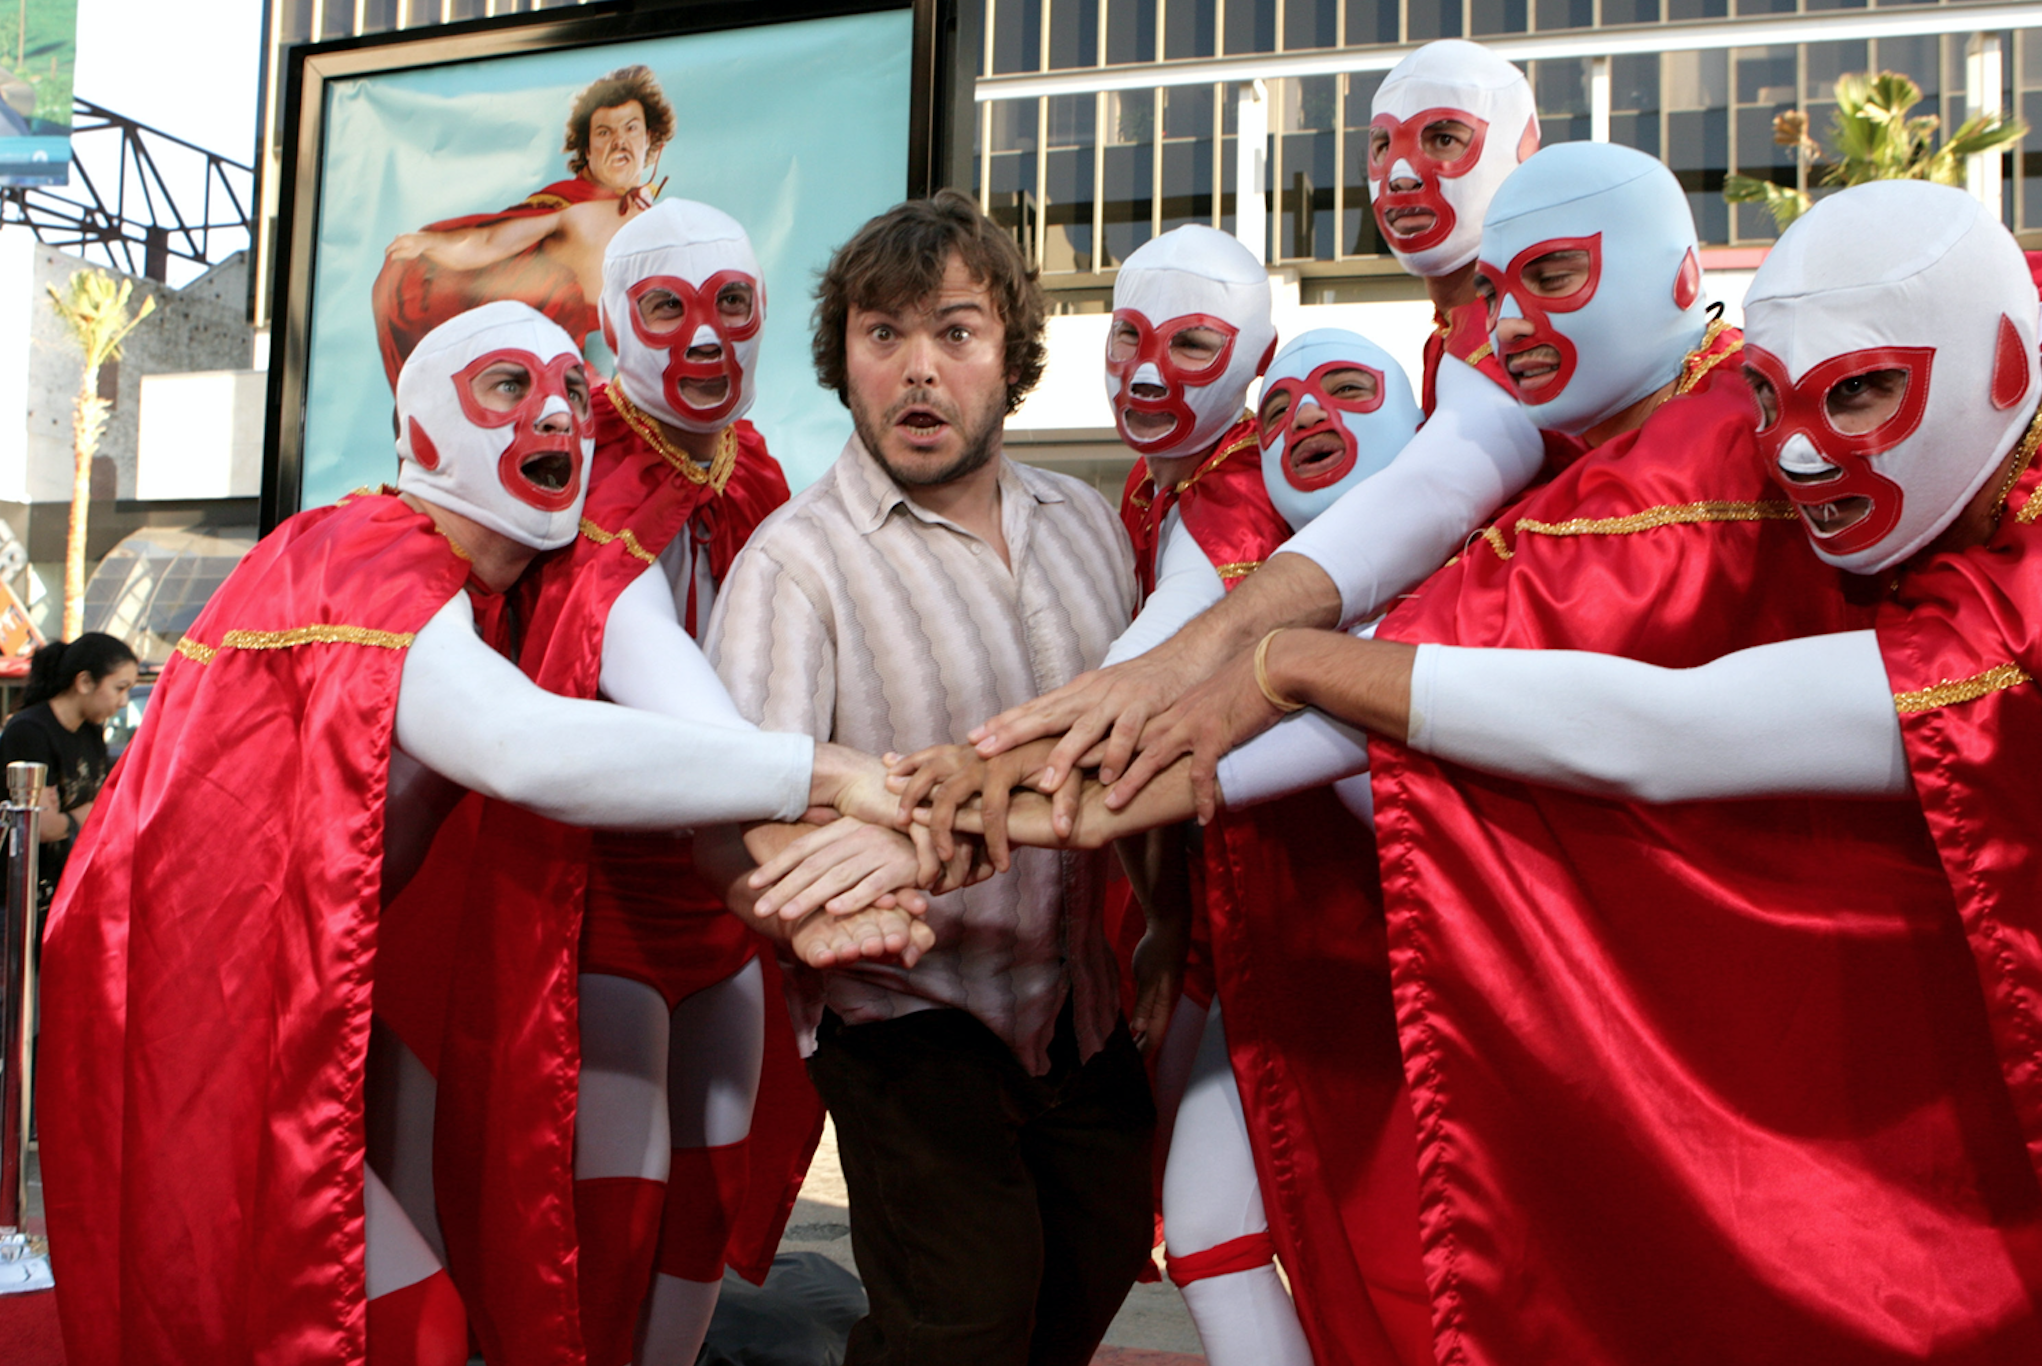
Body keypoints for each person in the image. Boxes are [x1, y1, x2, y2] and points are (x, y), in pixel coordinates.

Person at [949, 177, 2042, 1362]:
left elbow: (1662, 728)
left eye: (1859, 394)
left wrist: (1274, 673)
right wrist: (1056, 776)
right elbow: (1439, 585)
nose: (1792, 447)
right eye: (1772, 399)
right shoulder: (1634, 447)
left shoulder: (1763, 506)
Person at [36, 301, 915, 1366]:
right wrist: (818, 774)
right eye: (506, 386)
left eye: (571, 396)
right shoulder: (360, 553)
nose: (552, 410)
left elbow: (661, 717)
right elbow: (522, 746)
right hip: (205, 1002)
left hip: (321, 991)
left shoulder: (507, 582)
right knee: (381, 1318)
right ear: (419, 436)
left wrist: (798, 827)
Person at [704, 189, 1149, 1366]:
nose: (916, 369)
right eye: (881, 332)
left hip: (1082, 1009)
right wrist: (808, 912)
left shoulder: (1088, 525)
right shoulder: (794, 564)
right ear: (840, 357)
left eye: (954, 332)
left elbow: (1141, 756)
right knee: (965, 1313)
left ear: (1010, 355)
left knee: (1088, 1274)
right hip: (904, 1013)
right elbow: (739, 813)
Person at [967, 38, 1553, 822]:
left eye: (1443, 138)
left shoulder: (1490, 343)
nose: (1402, 174)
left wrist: (1114, 704)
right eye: (1381, 146)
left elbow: (1436, 495)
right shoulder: (1451, 335)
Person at [569, 199, 816, 1366]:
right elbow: (632, 655)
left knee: (710, 1189)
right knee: (612, 1196)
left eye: (731, 307)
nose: (706, 340)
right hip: (604, 892)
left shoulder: (753, 468)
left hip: (733, 902)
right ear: (617, 319)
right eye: (669, 310)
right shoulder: (580, 461)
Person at [371, 65, 672, 386]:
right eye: (604, 132)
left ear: (649, 138)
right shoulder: (568, 207)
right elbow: (490, 242)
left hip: (645, 355)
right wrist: (429, 244)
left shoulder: (656, 218)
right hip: (580, 358)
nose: (619, 142)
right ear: (586, 149)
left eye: (630, 129)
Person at [0, 633, 137, 913]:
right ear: (85, 682)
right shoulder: (30, 731)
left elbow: (107, 806)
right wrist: (88, 813)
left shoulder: (90, 731)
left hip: (68, 893)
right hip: (21, 901)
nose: (123, 702)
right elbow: (43, 826)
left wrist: (72, 815)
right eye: (119, 688)